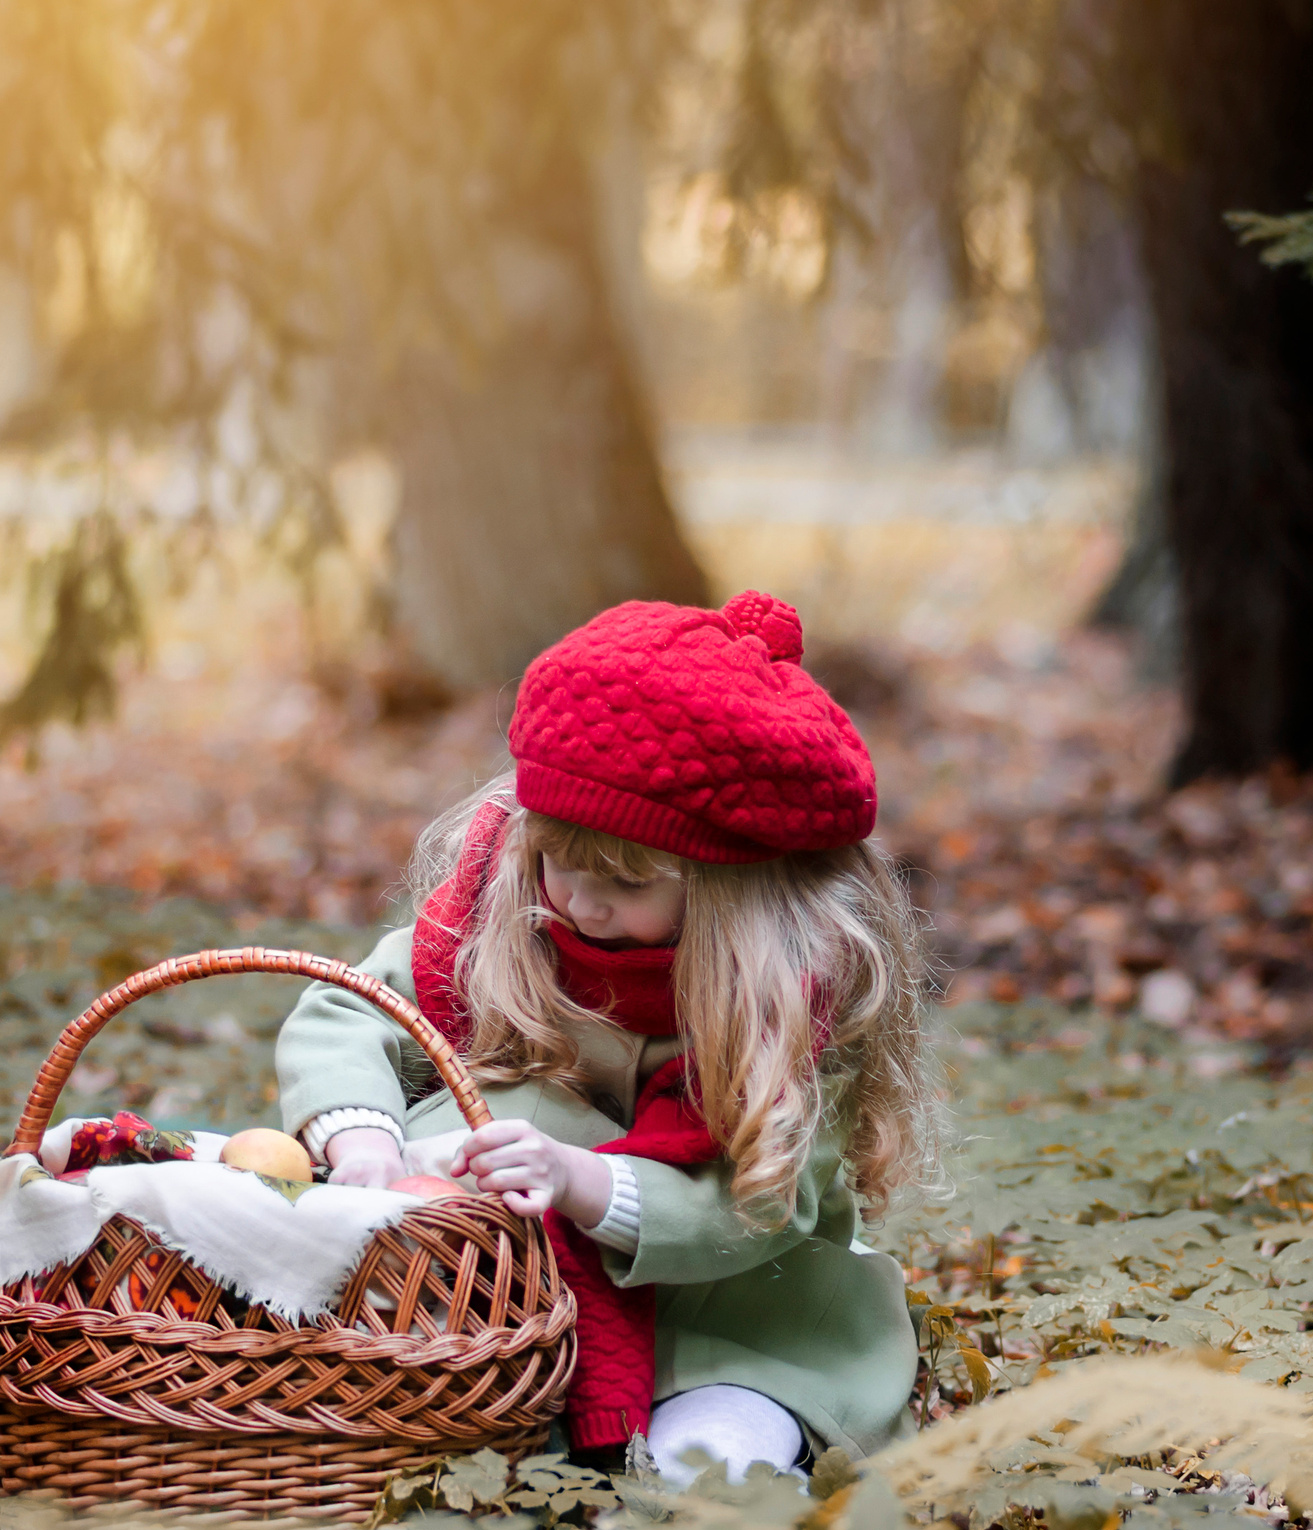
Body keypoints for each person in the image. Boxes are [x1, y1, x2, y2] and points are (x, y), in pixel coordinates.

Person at [275, 592, 941, 1483]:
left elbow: (760, 1208)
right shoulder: (502, 929)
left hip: (737, 1320)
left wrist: (585, 1181)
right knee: (417, 1429)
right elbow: (352, 1011)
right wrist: (359, 1132)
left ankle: (715, 1503)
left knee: (707, 1463)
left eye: (625, 884)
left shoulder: (796, 1002)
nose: (581, 904)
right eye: (561, 863)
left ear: (727, 889)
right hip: (501, 1307)